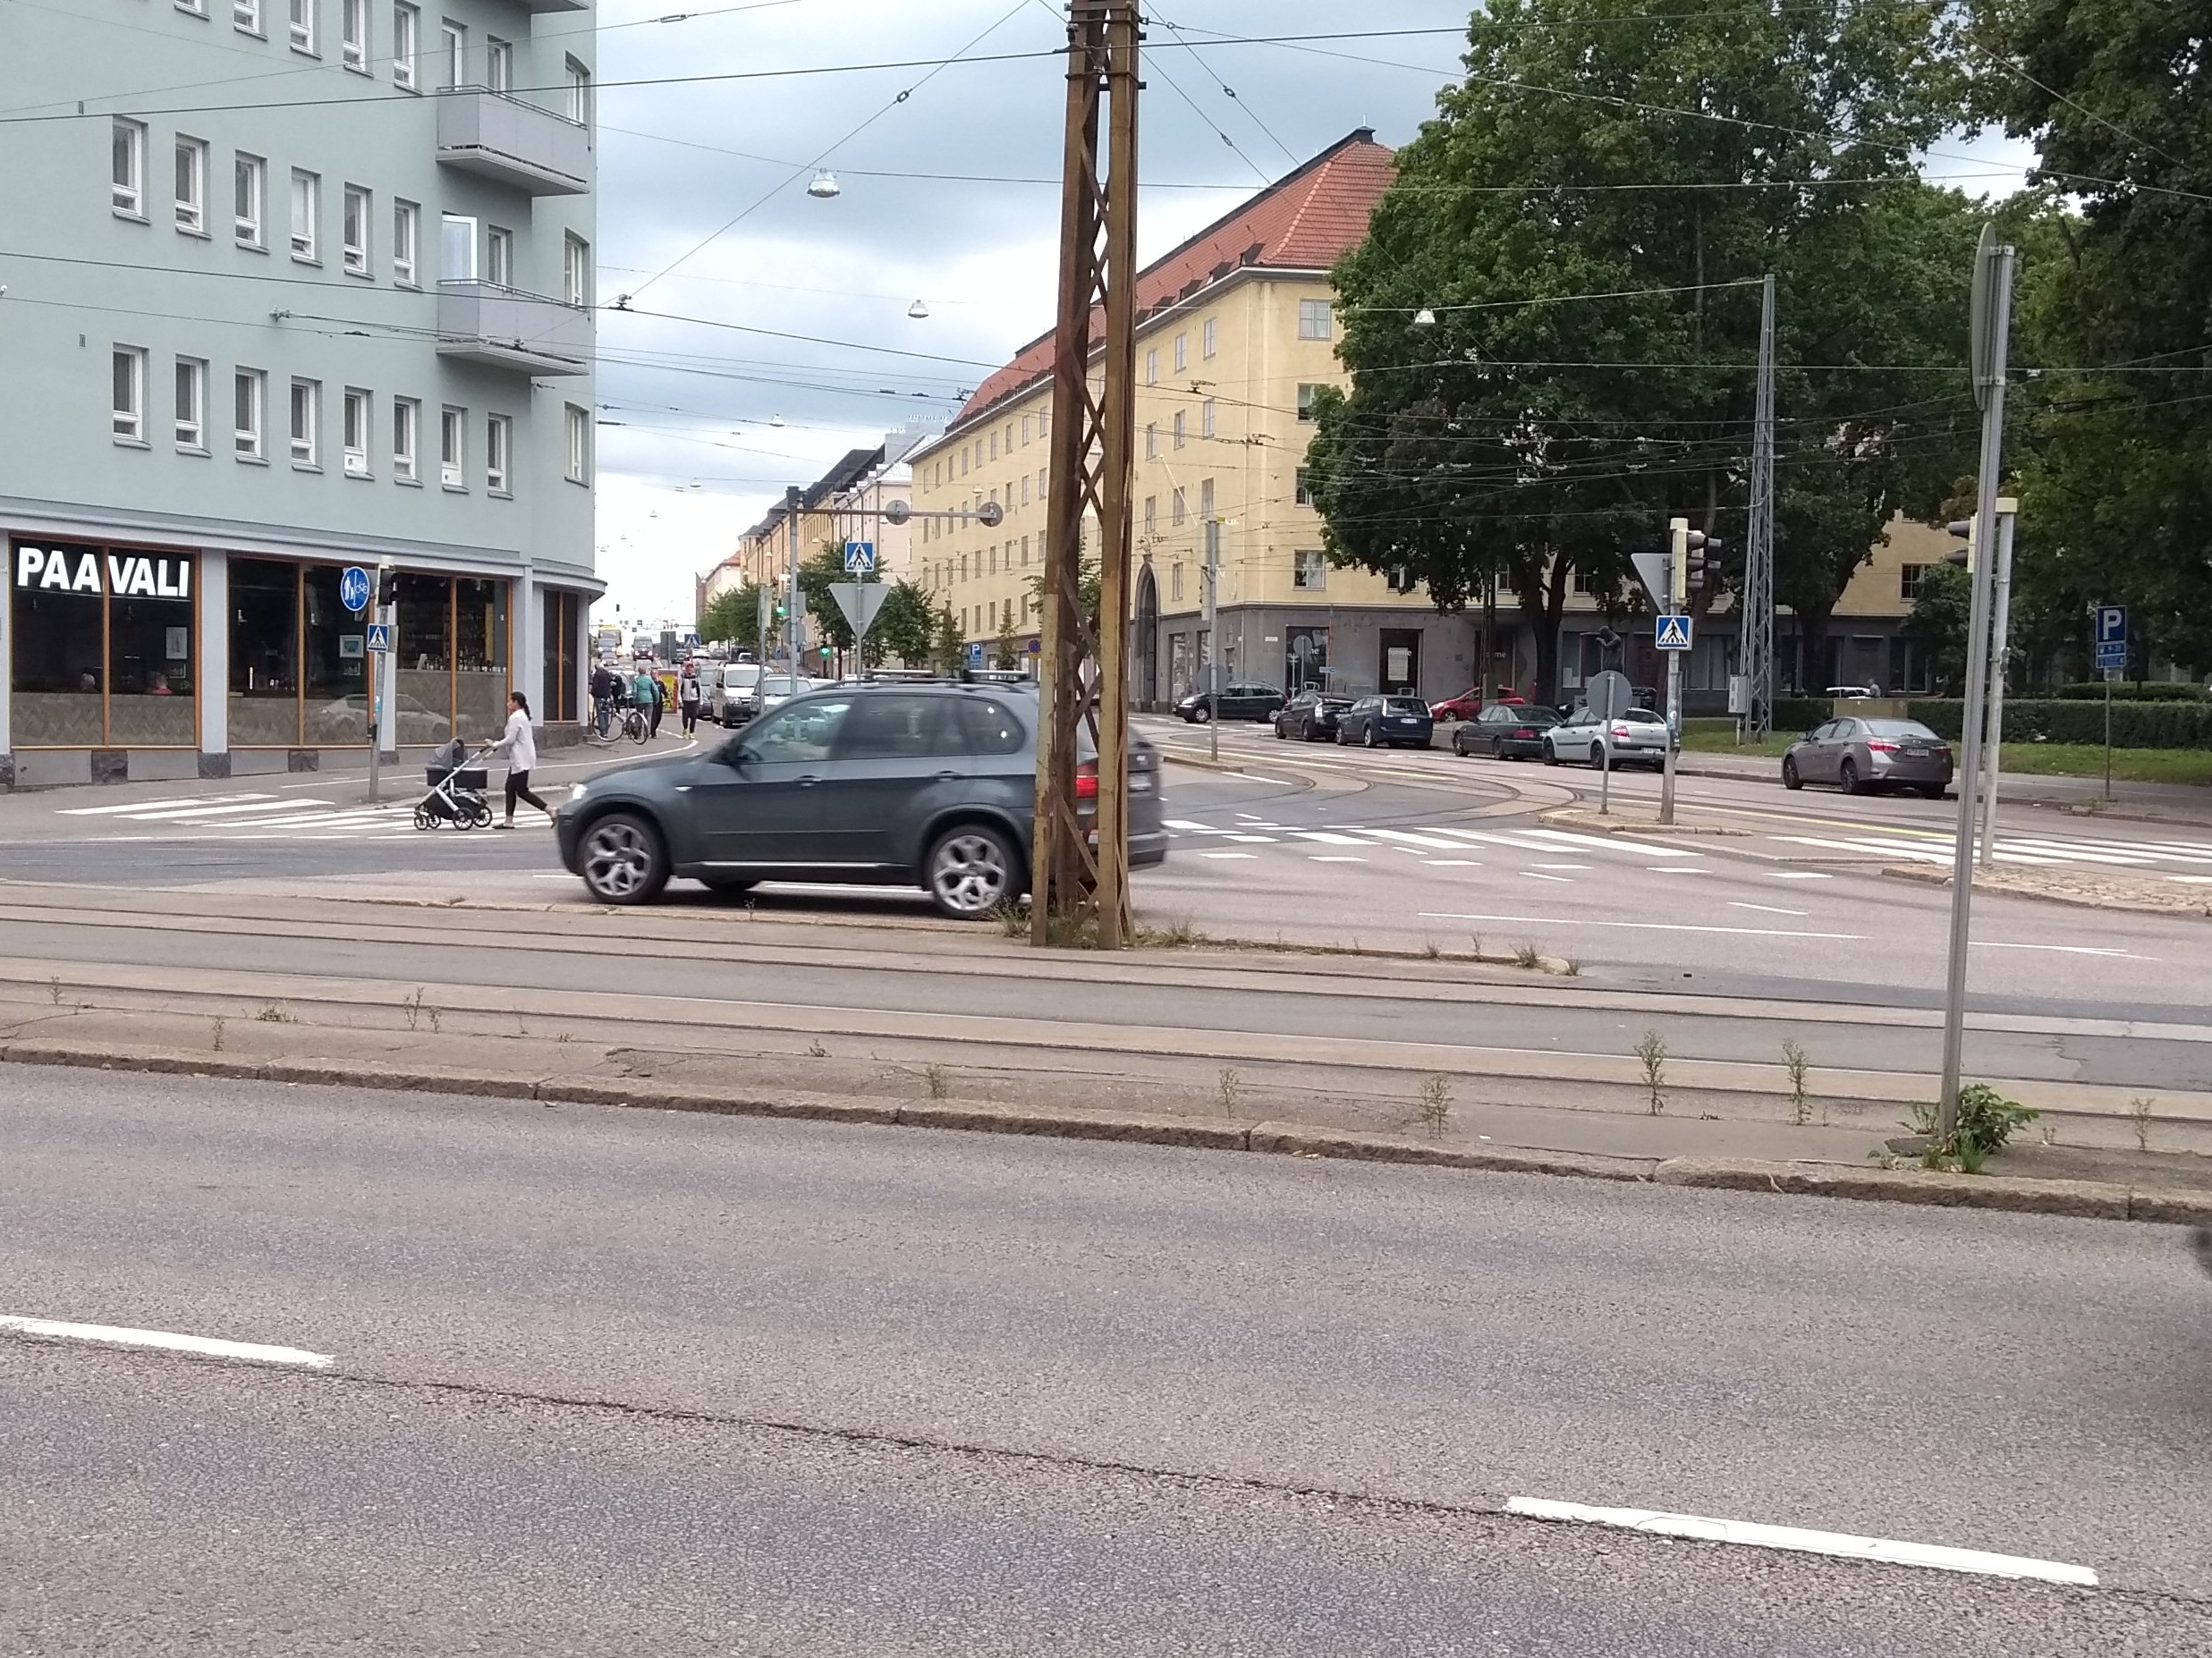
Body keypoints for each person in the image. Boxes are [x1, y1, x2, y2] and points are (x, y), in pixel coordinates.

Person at [486, 690, 549, 829]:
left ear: (515, 703)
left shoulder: (516, 717)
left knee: (521, 790)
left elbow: (511, 739)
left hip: (521, 759)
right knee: (510, 788)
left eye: (509, 701)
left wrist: (495, 744)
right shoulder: (521, 716)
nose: (507, 703)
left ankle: (550, 810)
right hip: (520, 758)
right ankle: (509, 820)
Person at [631, 664, 665, 739]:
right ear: (646, 671)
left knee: (639, 716)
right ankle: (647, 732)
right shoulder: (649, 680)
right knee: (649, 716)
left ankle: (638, 732)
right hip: (649, 700)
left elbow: (634, 691)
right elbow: (656, 691)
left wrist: (634, 699)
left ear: (639, 672)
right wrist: (656, 700)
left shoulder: (636, 680)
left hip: (639, 700)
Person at [589, 662, 619, 736]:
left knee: (600, 713)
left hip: (599, 696)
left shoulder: (597, 674)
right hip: (607, 696)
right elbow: (610, 683)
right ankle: (606, 729)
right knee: (606, 713)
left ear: (596, 668)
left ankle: (603, 730)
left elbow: (595, 686)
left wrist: (593, 693)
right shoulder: (607, 674)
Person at [677, 663, 702, 737]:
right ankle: (685, 728)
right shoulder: (683, 678)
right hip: (685, 701)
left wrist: (701, 702)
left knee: (693, 717)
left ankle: (691, 733)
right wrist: (680, 701)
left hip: (694, 700)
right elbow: (679, 690)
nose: (689, 670)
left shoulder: (696, 678)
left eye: (691, 668)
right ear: (686, 669)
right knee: (685, 718)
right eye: (688, 668)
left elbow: (700, 690)